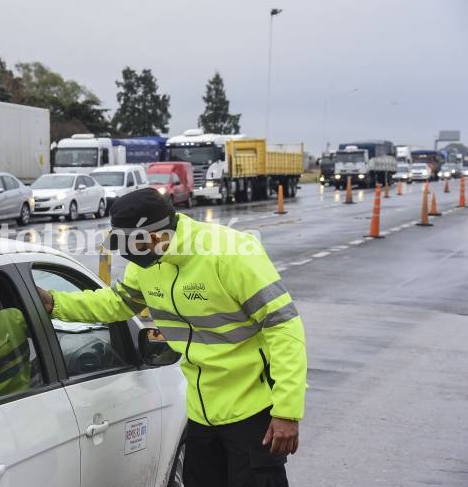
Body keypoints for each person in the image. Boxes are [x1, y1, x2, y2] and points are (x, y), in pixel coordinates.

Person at [37, 188, 307, 487]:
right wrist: (55, 303)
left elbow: (284, 327)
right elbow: (117, 303)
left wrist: (286, 411)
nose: (127, 252)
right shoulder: (149, 265)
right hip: (201, 413)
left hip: (254, 413)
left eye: (131, 243)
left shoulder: (229, 252)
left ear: (157, 234)